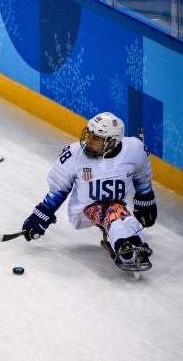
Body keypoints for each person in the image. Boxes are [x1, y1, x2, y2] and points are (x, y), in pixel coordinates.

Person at [21, 111, 157, 268]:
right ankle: (124, 249)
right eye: (91, 135)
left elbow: (143, 175)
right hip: (84, 211)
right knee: (113, 212)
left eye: (96, 138)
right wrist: (41, 214)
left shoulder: (134, 150)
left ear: (112, 142)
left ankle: (135, 243)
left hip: (118, 208)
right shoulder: (74, 154)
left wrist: (146, 199)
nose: (90, 140)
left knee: (125, 217)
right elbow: (59, 190)